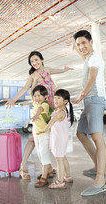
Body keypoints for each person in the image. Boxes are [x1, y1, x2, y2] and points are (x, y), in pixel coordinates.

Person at [5, 51, 73, 179]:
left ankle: (47, 167)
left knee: (48, 136)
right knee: (35, 136)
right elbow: (25, 89)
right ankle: (23, 166)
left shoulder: (47, 70)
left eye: (36, 60)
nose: (34, 63)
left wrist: (65, 69)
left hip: (52, 107)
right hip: (41, 109)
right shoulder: (33, 76)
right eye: (32, 62)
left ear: (42, 59)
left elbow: (57, 70)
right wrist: (14, 99)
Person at [70, 30, 106, 196]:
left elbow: (92, 79)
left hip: (95, 99)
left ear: (91, 42)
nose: (81, 47)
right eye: (78, 44)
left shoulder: (95, 58)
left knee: (97, 137)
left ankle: (101, 180)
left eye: (84, 43)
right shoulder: (88, 58)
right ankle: (96, 165)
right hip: (89, 101)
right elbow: (81, 54)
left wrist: (82, 94)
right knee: (80, 133)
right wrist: (73, 46)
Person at [37, 89, 74, 189]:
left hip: (59, 139)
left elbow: (52, 121)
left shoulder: (61, 112)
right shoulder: (58, 110)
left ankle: (60, 182)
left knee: (59, 160)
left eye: (58, 98)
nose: (55, 100)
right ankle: (68, 176)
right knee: (63, 157)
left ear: (65, 101)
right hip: (59, 137)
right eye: (55, 98)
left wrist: (44, 130)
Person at [31, 85, 54, 187]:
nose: (37, 98)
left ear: (45, 96)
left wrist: (36, 115)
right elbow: (34, 97)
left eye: (39, 95)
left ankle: (44, 178)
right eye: (35, 96)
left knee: (44, 154)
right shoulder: (35, 104)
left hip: (44, 134)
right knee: (40, 155)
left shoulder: (45, 104)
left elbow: (40, 109)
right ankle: (48, 171)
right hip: (37, 134)